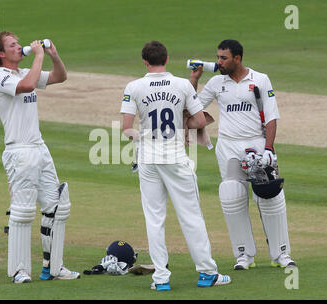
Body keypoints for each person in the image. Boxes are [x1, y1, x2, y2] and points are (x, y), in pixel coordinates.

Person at [120, 41, 231, 291]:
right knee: (191, 216)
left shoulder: (134, 86)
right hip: (175, 158)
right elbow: (201, 119)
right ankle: (207, 273)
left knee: (154, 218)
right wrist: (181, 126)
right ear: (167, 59)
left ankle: (161, 278)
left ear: (145, 62)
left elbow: (127, 127)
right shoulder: (181, 84)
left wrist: (143, 137)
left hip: (148, 159)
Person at [189, 39, 297, 270]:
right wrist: (194, 80)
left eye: (224, 58)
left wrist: (268, 149)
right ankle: (244, 256)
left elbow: (271, 117)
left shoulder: (260, 79)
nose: (219, 62)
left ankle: (281, 254)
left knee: (270, 197)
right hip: (228, 146)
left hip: (257, 145)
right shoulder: (217, 82)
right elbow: (192, 108)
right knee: (231, 195)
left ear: (237, 58)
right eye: (217, 57)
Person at [0, 31, 80, 283]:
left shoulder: (23, 72)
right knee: (23, 212)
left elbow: (60, 77)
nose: (19, 47)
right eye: (12, 45)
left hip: (39, 147)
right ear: (1, 53)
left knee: (57, 207)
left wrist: (53, 55)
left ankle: (54, 268)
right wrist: (39, 55)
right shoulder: (1, 77)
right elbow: (27, 86)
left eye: (19, 43)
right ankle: (19, 271)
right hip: (19, 150)